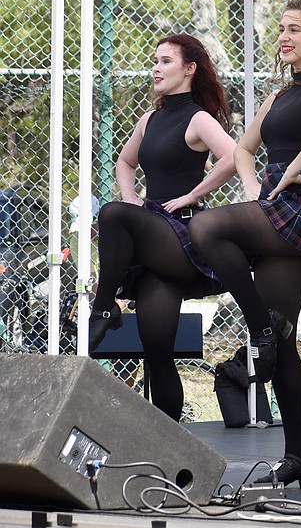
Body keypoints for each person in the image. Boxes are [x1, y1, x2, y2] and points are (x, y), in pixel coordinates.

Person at [189, 0, 301, 488]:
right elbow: (244, 149)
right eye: (282, 29)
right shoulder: (278, 95)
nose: (284, 37)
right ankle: (299, 456)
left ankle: (259, 326)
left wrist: (290, 170)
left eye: (295, 29)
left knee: (207, 227)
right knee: (284, 344)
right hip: (271, 204)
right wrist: (252, 188)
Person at [88, 34, 236, 421]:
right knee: (157, 350)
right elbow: (125, 162)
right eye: (155, 61)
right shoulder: (149, 120)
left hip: (181, 237)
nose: (156, 68)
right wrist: (131, 196)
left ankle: (103, 309)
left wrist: (194, 194)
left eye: (166, 61)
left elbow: (235, 157)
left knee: (112, 214)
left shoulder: (198, 119)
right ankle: (170, 440)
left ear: (189, 69)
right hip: (153, 233)